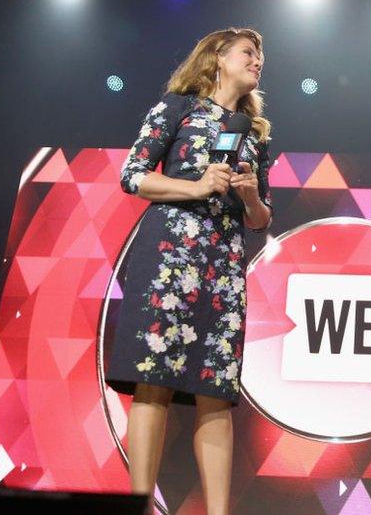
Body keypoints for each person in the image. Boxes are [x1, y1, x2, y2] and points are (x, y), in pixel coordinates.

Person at [106, 27, 273, 514]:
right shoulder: (176, 107)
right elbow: (133, 175)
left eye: (261, 57)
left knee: (215, 390)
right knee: (154, 378)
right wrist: (197, 186)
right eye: (249, 52)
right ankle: (139, 504)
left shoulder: (255, 133)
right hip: (170, 258)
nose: (258, 62)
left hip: (223, 266)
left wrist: (247, 195)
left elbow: (262, 219)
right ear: (218, 57)